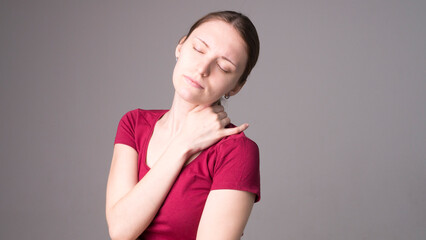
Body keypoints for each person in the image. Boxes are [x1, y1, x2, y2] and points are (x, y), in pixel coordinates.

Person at [106, 10, 260, 240]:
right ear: (180, 47)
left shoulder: (236, 152)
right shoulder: (134, 124)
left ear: (236, 86)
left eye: (224, 67)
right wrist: (183, 144)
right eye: (198, 49)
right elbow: (120, 230)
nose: (202, 69)